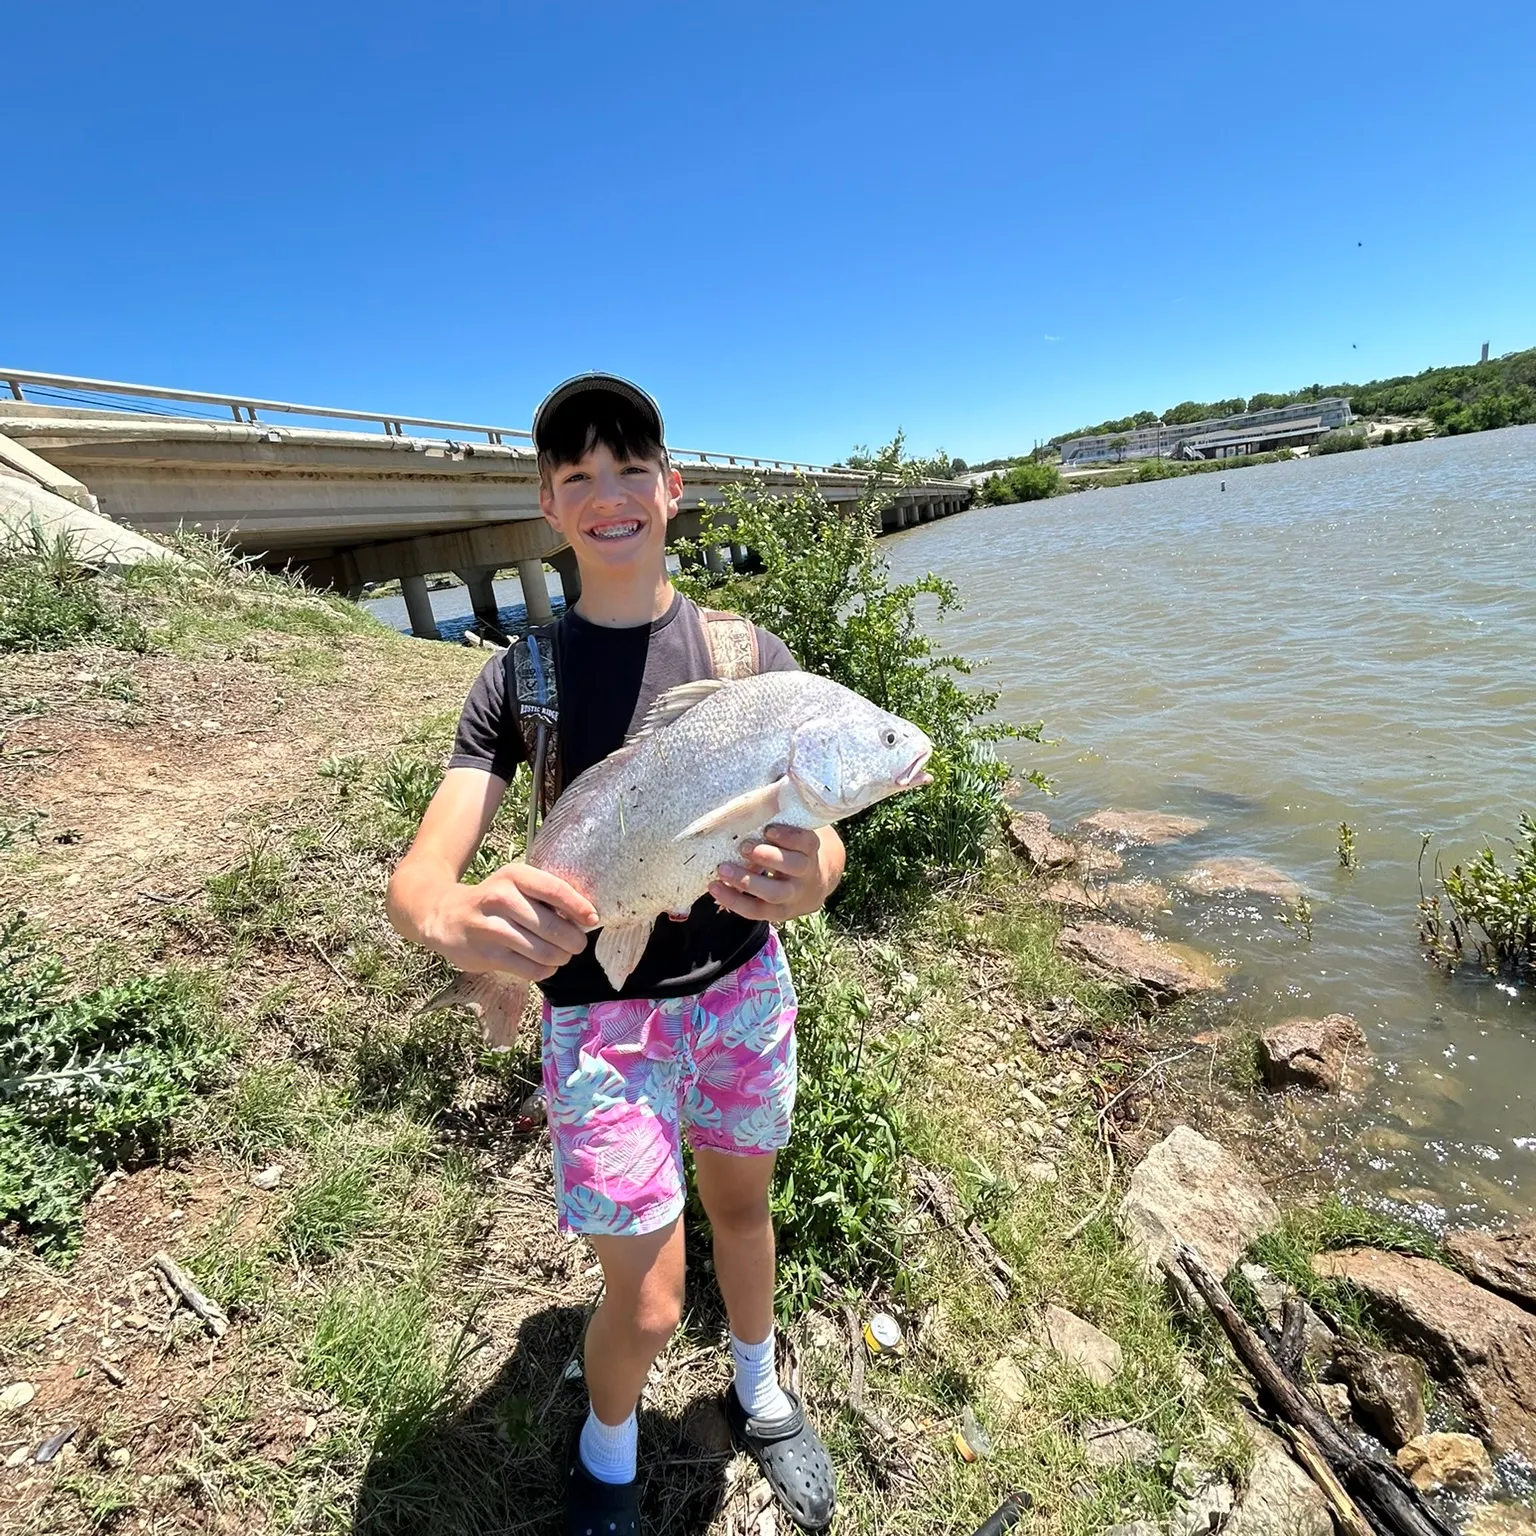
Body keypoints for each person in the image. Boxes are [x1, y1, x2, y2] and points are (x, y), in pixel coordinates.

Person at [386, 374, 842, 1535]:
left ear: (673, 490)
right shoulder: (514, 680)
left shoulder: (751, 659)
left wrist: (815, 877)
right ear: (548, 504)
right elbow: (425, 870)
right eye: (578, 477)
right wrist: (447, 922)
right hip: (599, 1026)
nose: (609, 494)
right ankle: (606, 1456)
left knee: (745, 1212)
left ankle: (759, 1387)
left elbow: (820, 841)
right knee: (642, 1305)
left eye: (630, 469)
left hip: (739, 991)